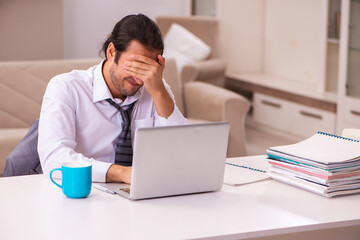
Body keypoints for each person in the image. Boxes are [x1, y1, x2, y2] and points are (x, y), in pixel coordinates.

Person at [38, 14, 187, 184]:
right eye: (134, 66)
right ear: (111, 52)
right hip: (87, 191)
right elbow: (53, 158)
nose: (139, 79)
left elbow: (181, 150)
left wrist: (159, 91)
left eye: (147, 69)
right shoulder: (67, 87)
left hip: (141, 195)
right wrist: (122, 173)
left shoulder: (154, 87)